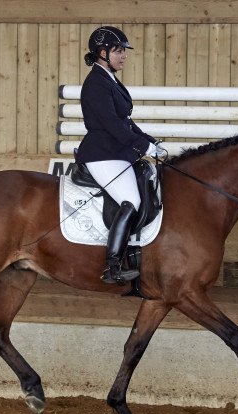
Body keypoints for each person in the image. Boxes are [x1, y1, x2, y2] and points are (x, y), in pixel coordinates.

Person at [75, 26, 163, 285]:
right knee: (131, 200)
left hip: (117, 151)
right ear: (102, 53)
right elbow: (112, 125)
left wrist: (149, 141)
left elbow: (126, 121)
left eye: (123, 51)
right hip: (102, 154)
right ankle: (112, 266)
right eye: (118, 51)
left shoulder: (110, 79)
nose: (123, 56)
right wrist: (141, 146)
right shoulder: (95, 84)